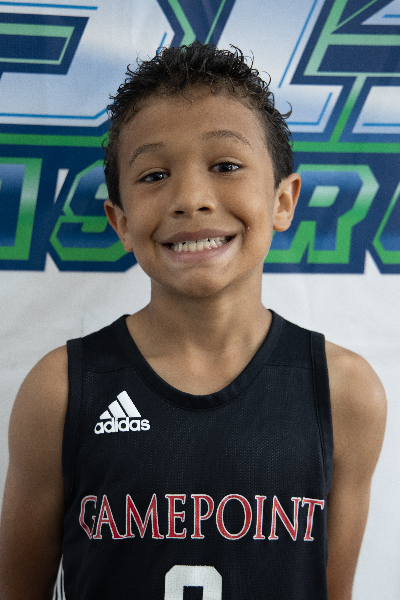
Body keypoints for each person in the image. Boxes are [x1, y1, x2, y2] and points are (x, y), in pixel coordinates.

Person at [0, 43, 386, 600]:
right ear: (120, 221)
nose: (191, 198)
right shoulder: (60, 391)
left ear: (283, 200)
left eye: (226, 166)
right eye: (154, 175)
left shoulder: (345, 392)